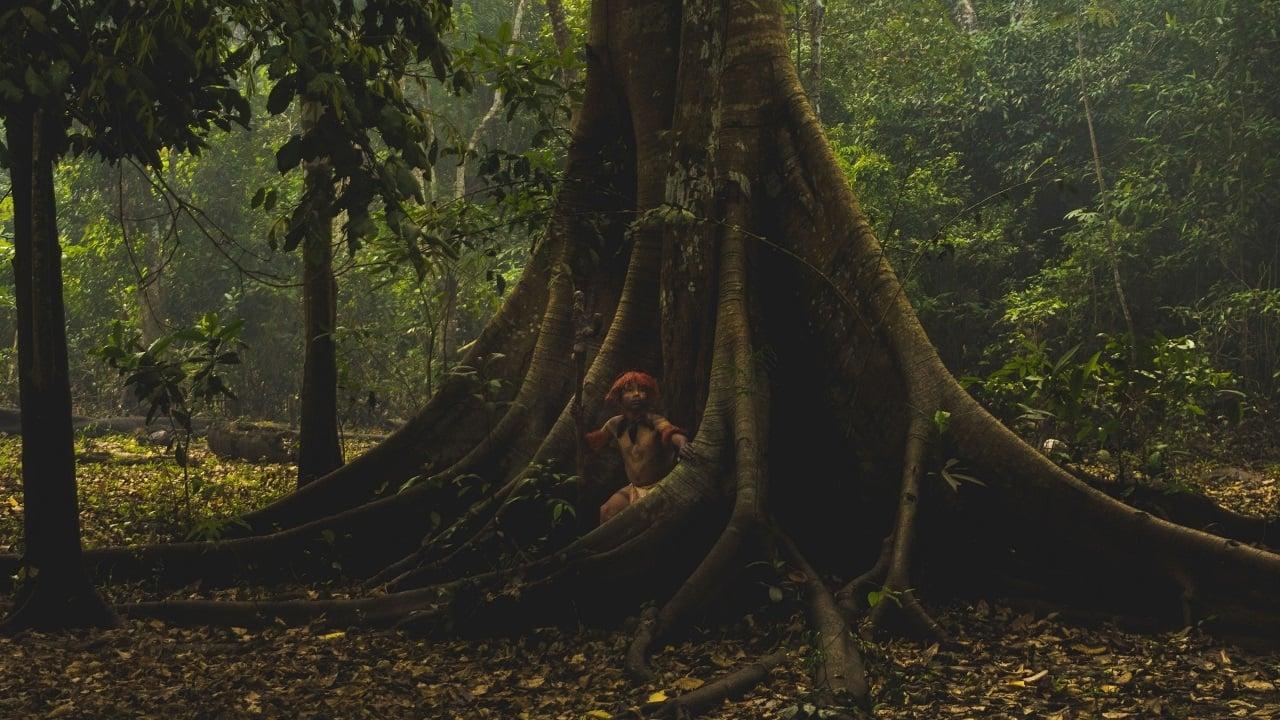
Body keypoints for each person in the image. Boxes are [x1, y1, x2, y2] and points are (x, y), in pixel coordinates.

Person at [586, 371, 693, 523]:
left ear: (648, 396)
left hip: (658, 488)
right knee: (607, 511)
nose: (636, 394)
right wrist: (579, 421)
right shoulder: (614, 424)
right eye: (629, 390)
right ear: (619, 397)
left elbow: (671, 432)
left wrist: (682, 444)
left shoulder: (655, 420)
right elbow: (595, 442)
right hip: (634, 488)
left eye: (641, 390)